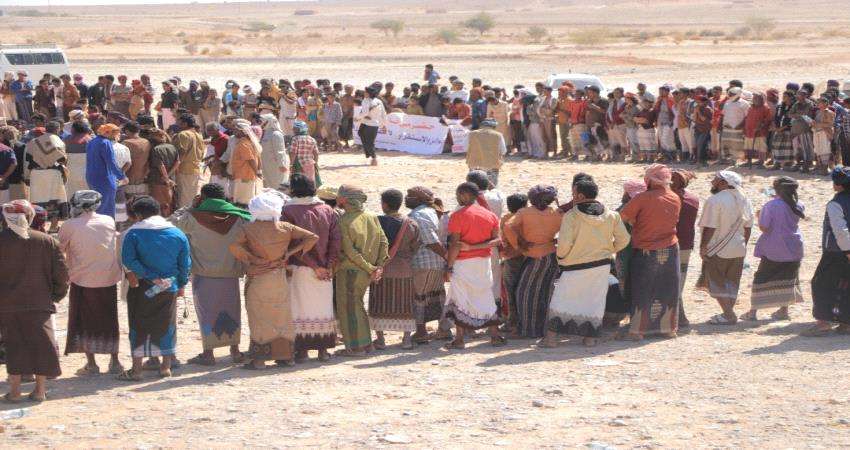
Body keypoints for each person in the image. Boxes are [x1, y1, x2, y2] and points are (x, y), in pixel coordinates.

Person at [230, 191, 318, 369]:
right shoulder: (285, 227)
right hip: (279, 278)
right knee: (282, 317)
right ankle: (286, 357)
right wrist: (289, 253)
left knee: (259, 318)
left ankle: (259, 360)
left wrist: (252, 259)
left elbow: (234, 246)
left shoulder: (247, 228)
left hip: (259, 278)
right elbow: (312, 237)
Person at [541, 178, 630, 347]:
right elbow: (624, 239)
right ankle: (590, 339)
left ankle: (551, 339)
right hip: (601, 265)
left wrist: (562, 258)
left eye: (574, 193)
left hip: (574, 265)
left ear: (580, 196)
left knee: (562, 299)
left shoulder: (572, 216)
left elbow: (564, 244)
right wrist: (609, 250)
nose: (572, 196)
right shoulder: (612, 215)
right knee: (594, 301)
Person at [172, 183, 250, 366]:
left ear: (203, 198)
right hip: (230, 273)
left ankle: (208, 353)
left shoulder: (192, 218)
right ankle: (235, 351)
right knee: (232, 311)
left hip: (203, 274)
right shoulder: (239, 217)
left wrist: (190, 206)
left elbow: (172, 222)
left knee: (206, 312)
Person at [0, 200, 68, 402]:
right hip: (40, 302)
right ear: (29, 217)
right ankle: (39, 390)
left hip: (7, 304)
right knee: (42, 345)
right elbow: (62, 275)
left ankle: (14, 392)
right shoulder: (47, 241)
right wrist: (55, 296)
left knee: (14, 345)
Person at [118, 196, 190, 381]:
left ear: (138, 214)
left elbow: (128, 260)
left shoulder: (133, 233)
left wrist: (150, 276)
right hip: (169, 286)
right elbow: (185, 264)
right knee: (167, 323)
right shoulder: (177, 233)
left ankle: (136, 370)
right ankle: (165, 367)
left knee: (138, 323)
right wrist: (181, 284)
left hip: (142, 287)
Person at [58, 190, 124, 375]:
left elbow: (59, 250)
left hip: (82, 279)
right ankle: (115, 362)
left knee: (84, 321)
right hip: (108, 278)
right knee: (110, 319)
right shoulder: (108, 220)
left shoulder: (69, 225)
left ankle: (92, 364)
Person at [282, 174, 341, 362]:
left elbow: (293, 245)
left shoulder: (287, 210)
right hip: (325, 270)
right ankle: (323, 351)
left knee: (300, 309)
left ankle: (302, 352)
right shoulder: (327, 210)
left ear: (293, 189)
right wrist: (328, 266)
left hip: (300, 268)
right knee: (322, 309)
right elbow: (335, 241)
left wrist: (314, 266)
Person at [619, 164, 682, 340]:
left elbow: (623, 217)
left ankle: (637, 331)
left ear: (650, 180)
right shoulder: (674, 197)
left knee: (642, 289)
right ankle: (667, 329)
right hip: (670, 249)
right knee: (668, 289)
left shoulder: (643, 198)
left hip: (646, 250)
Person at [443, 182, 505, 350]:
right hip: (483, 262)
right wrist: (476, 247)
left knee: (460, 299)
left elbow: (455, 245)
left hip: (463, 263)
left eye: (458, 195)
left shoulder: (458, 216)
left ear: (464, 195)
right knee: (485, 296)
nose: (457, 198)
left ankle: (459, 339)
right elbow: (497, 240)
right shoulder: (489, 215)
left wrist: (449, 267)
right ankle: (495, 335)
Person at [334, 185, 389, 356]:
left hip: (350, 271)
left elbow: (350, 252)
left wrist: (371, 268)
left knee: (349, 309)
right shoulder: (371, 216)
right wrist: (378, 267)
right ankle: (367, 344)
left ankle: (356, 347)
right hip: (367, 272)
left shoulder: (343, 221)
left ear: (345, 199)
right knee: (358, 306)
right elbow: (384, 242)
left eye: (339, 196)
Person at [741, 177, 805, 322]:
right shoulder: (799, 204)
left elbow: (764, 227)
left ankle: (753, 312)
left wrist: (759, 216)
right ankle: (783, 311)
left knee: (762, 278)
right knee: (788, 278)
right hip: (794, 246)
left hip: (774, 247)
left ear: (777, 190)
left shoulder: (771, 205)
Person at [502, 185, 561, 338]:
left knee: (524, 294)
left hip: (533, 257)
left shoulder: (524, 212)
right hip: (551, 257)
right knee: (545, 293)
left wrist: (519, 244)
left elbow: (509, 226)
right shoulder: (556, 213)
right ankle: (545, 329)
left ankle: (527, 330)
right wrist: (555, 241)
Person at [698, 170, 754, 325]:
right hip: (739, 247)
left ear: (724, 183)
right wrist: (743, 244)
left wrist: (703, 246)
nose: (712, 182)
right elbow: (748, 227)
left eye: (715, 179)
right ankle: (727, 313)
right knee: (732, 282)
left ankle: (729, 315)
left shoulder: (715, 200)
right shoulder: (745, 199)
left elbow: (710, 226)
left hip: (717, 248)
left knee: (716, 281)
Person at [369, 189, 420, 350]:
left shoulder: (376, 222)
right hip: (404, 269)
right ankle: (406, 340)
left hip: (381, 269)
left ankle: (380, 340)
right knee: (405, 304)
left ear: (384, 204)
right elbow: (416, 245)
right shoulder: (410, 223)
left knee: (379, 303)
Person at [806, 166, 850, 336]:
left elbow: (841, 230)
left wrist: (848, 250)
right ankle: (846, 322)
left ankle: (823, 323)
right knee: (845, 284)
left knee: (820, 283)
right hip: (843, 250)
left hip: (837, 251)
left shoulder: (836, 204)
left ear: (838, 185)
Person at [404, 186, 450, 343]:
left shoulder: (418, 215)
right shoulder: (435, 212)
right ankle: (444, 329)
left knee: (419, 297)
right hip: (437, 262)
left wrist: (447, 258)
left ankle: (421, 332)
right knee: (437, 295)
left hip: (423, 262)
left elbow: (431, 241)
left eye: (410, 196)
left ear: (419, 199)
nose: (406, 199)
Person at [24, 120, 69, 232]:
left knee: (38, 200)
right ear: (57, 129)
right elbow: (62, 159)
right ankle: (53, 227)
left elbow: (28, 159)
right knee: (55, 200)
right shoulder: (58, 141)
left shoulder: (33, 142)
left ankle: (39, 227)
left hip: (36, 174)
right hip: (53, 174)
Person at [671, 169, 700, 328]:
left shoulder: (670, 198)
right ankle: (679, 316)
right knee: (680, 278)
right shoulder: (693, 198)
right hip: (686, 244)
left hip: (671, 243)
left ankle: (676, 316)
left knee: (671, 279)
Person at [85, 124, 128, 219]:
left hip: (91, 177)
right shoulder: (105, 143)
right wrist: (122, 177)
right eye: (115, 133)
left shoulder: (91, 142)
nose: (117, 135)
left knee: (97, 204)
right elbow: (111, 162)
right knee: (107, 206)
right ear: (108, 133)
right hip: (105, 178)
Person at [172, 114, 205, 209]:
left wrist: (174, 169)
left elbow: (182, 154)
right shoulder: (199, 135)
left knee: (183, 197)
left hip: (183, 169)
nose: (177, 124)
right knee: (191, 195)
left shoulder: (183, 134)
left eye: (179, 122)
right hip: (195, 168)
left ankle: (183, 216)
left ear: (185, 123)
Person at [146, 129, 179, 217]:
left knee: (160, 204)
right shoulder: (172, 147)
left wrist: (165, 177)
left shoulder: (156, 149)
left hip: (158, 179)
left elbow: (161, 165)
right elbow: (177, 162)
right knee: (169, 202)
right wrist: (169, 176)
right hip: (170, 179)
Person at [229, 119, 262, 207]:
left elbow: (251, 160)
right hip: (245, 175)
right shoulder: (248, 143)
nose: (234, 132)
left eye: (236, 130)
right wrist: (258, 172)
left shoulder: (243, 144)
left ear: (242, 131)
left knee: (242, 201)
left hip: (244, 176)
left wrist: (257, 172)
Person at [465, 118, 507, 186]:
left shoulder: (471, 134)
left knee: (475, 186)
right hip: (492, 166)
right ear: (494, 126)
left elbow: (465, 148)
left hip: (474, 165)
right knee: (491, 187)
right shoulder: (498, 135)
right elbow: (503, 151)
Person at [355, 86, 386, 166]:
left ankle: (373, 157)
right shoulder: (379, 101)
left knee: (369, 142)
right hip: (371, 123)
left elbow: (364, 112)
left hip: (370, 123)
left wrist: (357, 118)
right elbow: (383, 113)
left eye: (365, 92)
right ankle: (369, 153)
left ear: (369, 93)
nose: (364, 93)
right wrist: (383, 124)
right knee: (361, 134)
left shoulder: (365, 101)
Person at [721, 87, 750, 164]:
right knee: (727, 143)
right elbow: (723, 115)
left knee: (737, 144)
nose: (730, 95)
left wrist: (741, 125)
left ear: (738, 94)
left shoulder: (744, 103)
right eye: (729, 94)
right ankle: (727, 159)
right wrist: (721, 125)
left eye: (732, 94)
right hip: (727, 127)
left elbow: (747, 116)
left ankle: (736, 160)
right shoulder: (727, 102)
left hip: (737, 128)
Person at [742, 92, 772, 167]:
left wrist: (761, 125)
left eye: (756, 98)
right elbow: (747, 118)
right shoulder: (751, 107)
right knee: (748, 146)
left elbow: (768, 119)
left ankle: (761, 162)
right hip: (749, 131)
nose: (754, 99)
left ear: (761, 99)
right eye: (754, 98)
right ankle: (749, 161)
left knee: (761, 147)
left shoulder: (765, 108)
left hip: (760, 132)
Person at [259, 114, 289, 190]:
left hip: (276, 165)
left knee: (277, 185)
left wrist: (282, 164)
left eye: (262, 121)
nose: (260, 123)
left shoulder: (276, 134)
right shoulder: (264, 133)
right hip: (266, 164)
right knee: (268, 185)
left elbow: (280, 151)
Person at [290, 120, 320, 186]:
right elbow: (316, 153)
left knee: (299, 182)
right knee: (310, 181)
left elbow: (293, 153)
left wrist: (291, 164)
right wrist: (316, 163)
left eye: (295, 129)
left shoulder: (295, 139)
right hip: (310, 163)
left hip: (298, 164)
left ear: (300, 130)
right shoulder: (312, 139)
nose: (293, 130)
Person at [0, 135, 16, 204]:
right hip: (2, 182)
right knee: (3, 205)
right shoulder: (7, 149)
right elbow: (13, 164)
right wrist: (4, 177)